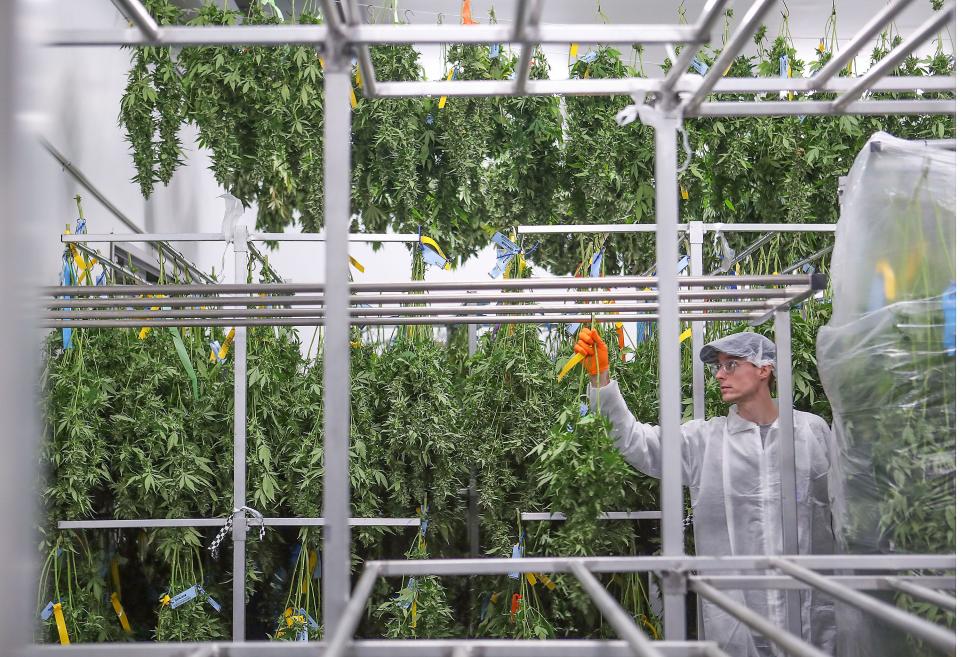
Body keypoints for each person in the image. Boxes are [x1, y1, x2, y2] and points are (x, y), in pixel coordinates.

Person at [576, 328, 836, 657]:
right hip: (734, 618)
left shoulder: (811, 431)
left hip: (809, 611)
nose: (719, 375)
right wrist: (601, 379)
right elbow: (634, 441)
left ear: (763, 369)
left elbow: (838, 508)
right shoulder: (704, 440)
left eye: (731, 365)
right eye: (717, 367)